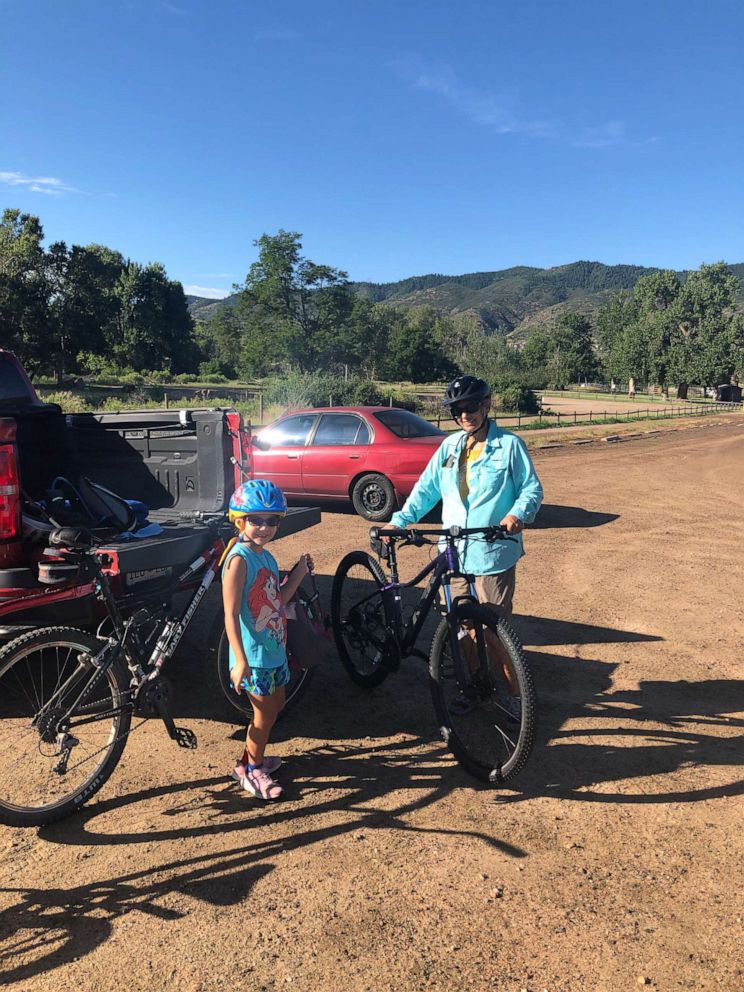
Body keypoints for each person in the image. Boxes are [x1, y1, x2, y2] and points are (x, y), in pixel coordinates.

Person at [383, 375, 543, 716]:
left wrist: (517, 514)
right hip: (453, 549)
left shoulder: (511, 445)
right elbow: (427, 489)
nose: (465, 415)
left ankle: (517, 698)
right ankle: (474, 687)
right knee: (462, 626)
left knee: (494, 632)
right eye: (457, 410)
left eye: (471, 407)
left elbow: (531, 489)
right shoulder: (450, 446)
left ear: (486, 406)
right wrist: (399, 521)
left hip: (493, 550)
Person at [222, 478, 313, 801]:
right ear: (239, 520)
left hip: (274, 652)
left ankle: (251, 758)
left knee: (275, 708)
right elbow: (230, 615)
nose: (264, 527)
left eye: (271, 520)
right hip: (254, 657)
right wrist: (240, 659)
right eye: (255, 520)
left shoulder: (267, 558)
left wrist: (300, 573)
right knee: (262, 717)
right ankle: (251, 771)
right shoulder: (238, 560)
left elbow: (279, 600)